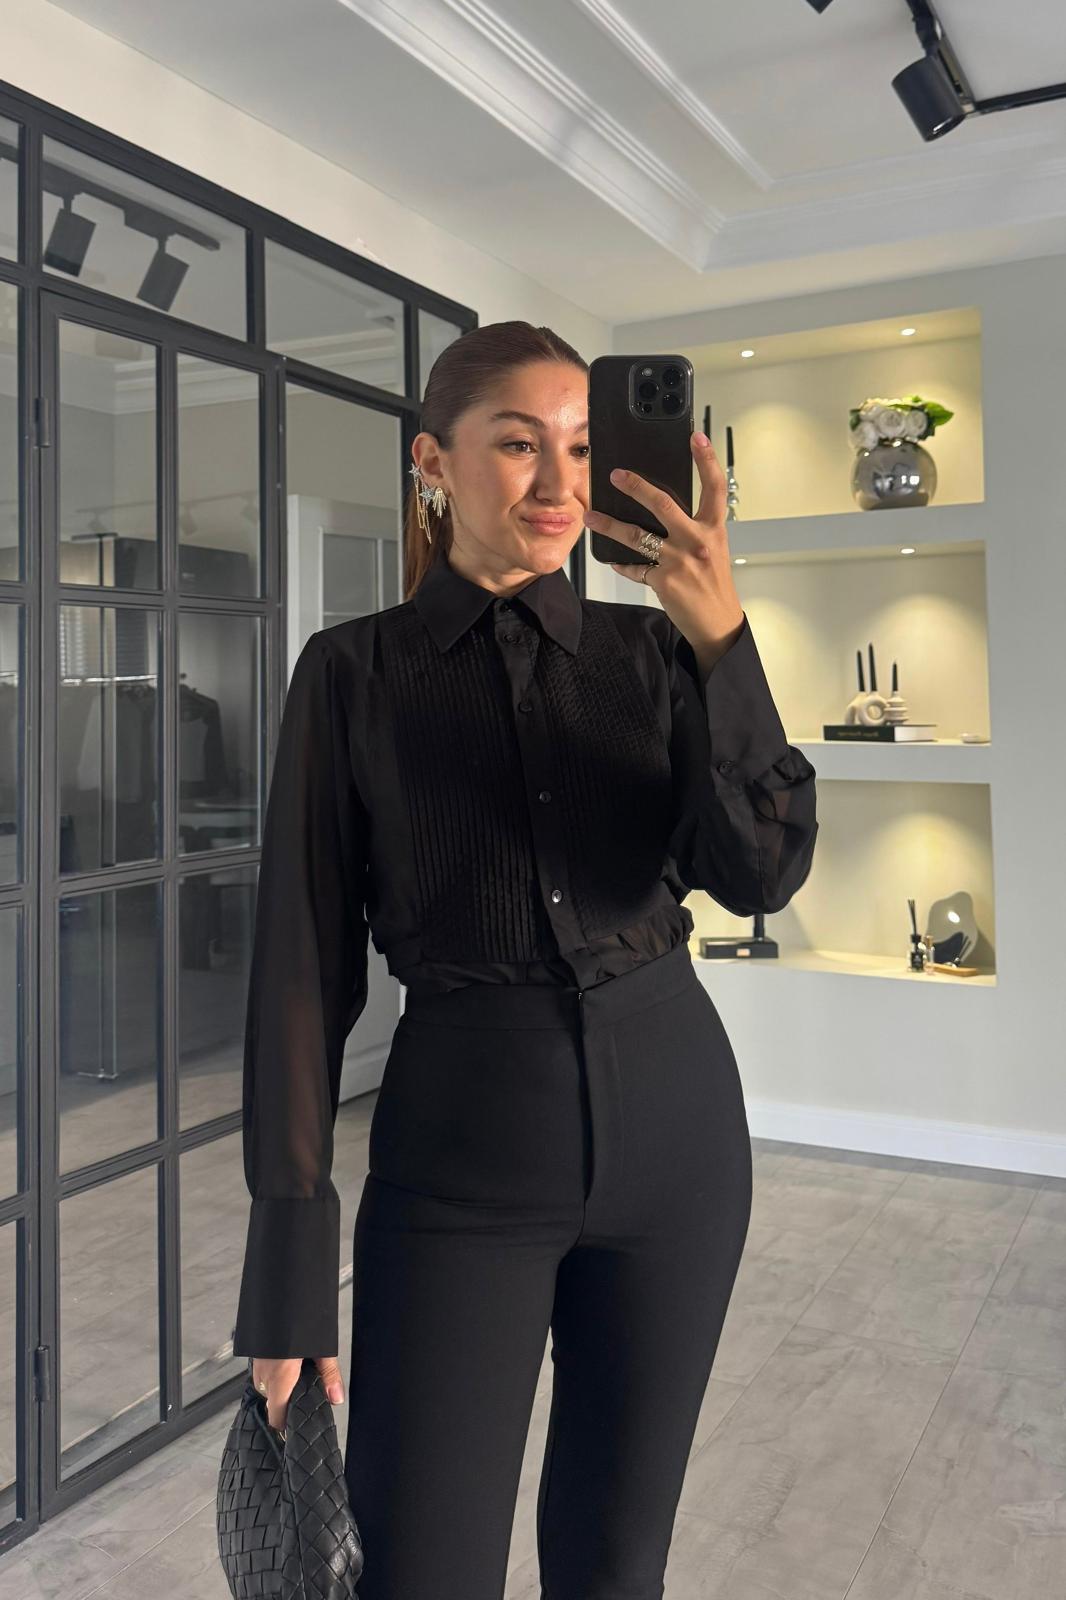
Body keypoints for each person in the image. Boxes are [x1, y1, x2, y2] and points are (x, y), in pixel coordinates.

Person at [230, 321, 818, 1599]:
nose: (559, 482)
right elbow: (301, 975)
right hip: (460, 1160)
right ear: (432, 462)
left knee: (616, 1565)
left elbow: (761, 873)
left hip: (678, 1140)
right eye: (517, 444)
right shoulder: (352, 674)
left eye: (583, 448)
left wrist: (724, 642)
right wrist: (287, 1279)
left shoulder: (654, 656)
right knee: (419, 1568)